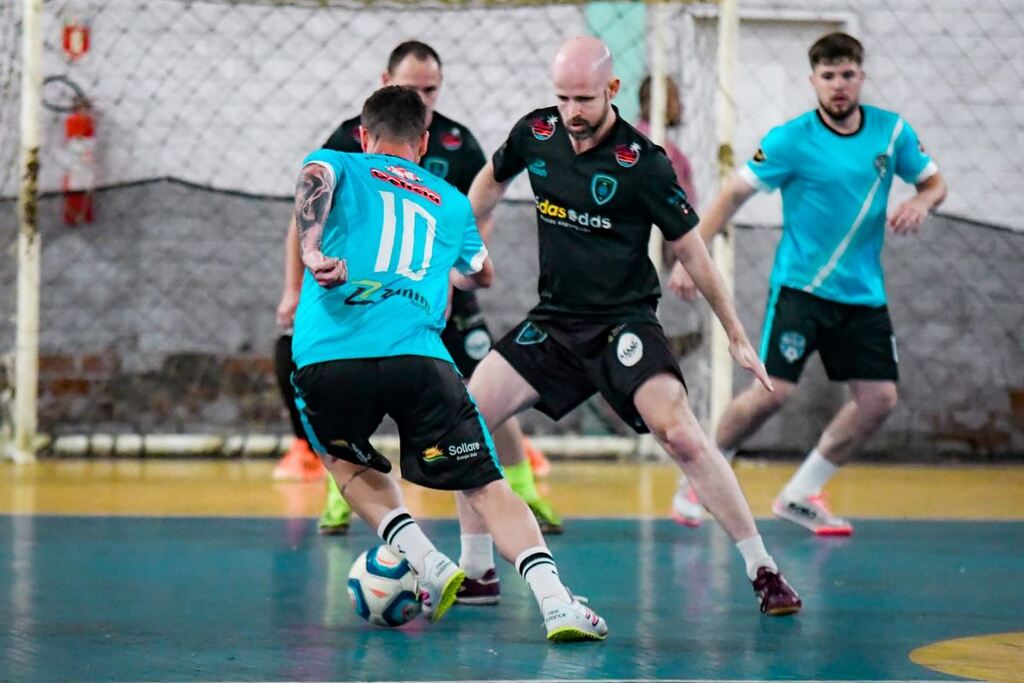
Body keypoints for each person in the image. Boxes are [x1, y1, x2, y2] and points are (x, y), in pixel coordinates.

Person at [454, 35, 802, 616]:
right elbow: (489, 182)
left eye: (584, 99)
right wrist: (465, 244)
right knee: (469, 416)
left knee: (682, 433)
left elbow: (693, 253)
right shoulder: (535, 134)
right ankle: (478, 569)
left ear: (612, 90)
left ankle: (762, 568)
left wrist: (736, 334)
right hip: (555, 322)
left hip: (623, 323)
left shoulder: (644, 163)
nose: (572, 112)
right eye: (562, 98)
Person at [290, 84, 607, 642]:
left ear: (364, 135)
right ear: (424, 142)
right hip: (421, 360)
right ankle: (557, 604)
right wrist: (462, 270)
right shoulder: (449, 199)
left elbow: (315, 182)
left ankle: (427, 560)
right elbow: (481, 271)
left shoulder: (337, 160)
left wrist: (313, 251)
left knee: (345, 463)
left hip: (330, 357)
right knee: (488, 486)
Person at [273, 41, 560, 535]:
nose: (423, 98)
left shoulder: (456, 142)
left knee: (487, 388)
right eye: (412, 89)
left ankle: (524, 491)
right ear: (386, 81)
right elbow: (305, 216)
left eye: (431, 89)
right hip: (369, 293)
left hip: (442, 290)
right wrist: (292, 291)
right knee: (349, 395)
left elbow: (477, 217)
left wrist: (449, 277)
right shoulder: (352, 137)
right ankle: (343, 498)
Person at [668, 32, 947, 535]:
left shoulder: (891, 133)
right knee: (771, 392)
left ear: (861, 76)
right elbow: (732, 194)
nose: (839, 85)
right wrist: (693, 256)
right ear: (813, 81)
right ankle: (698, 478)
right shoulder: (790, 139)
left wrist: (920, 203)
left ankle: (800, 493)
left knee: (879, 401)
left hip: (863, 295)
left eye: (847, 75)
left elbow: (933, 182)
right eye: (828, 76)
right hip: (801, 288)